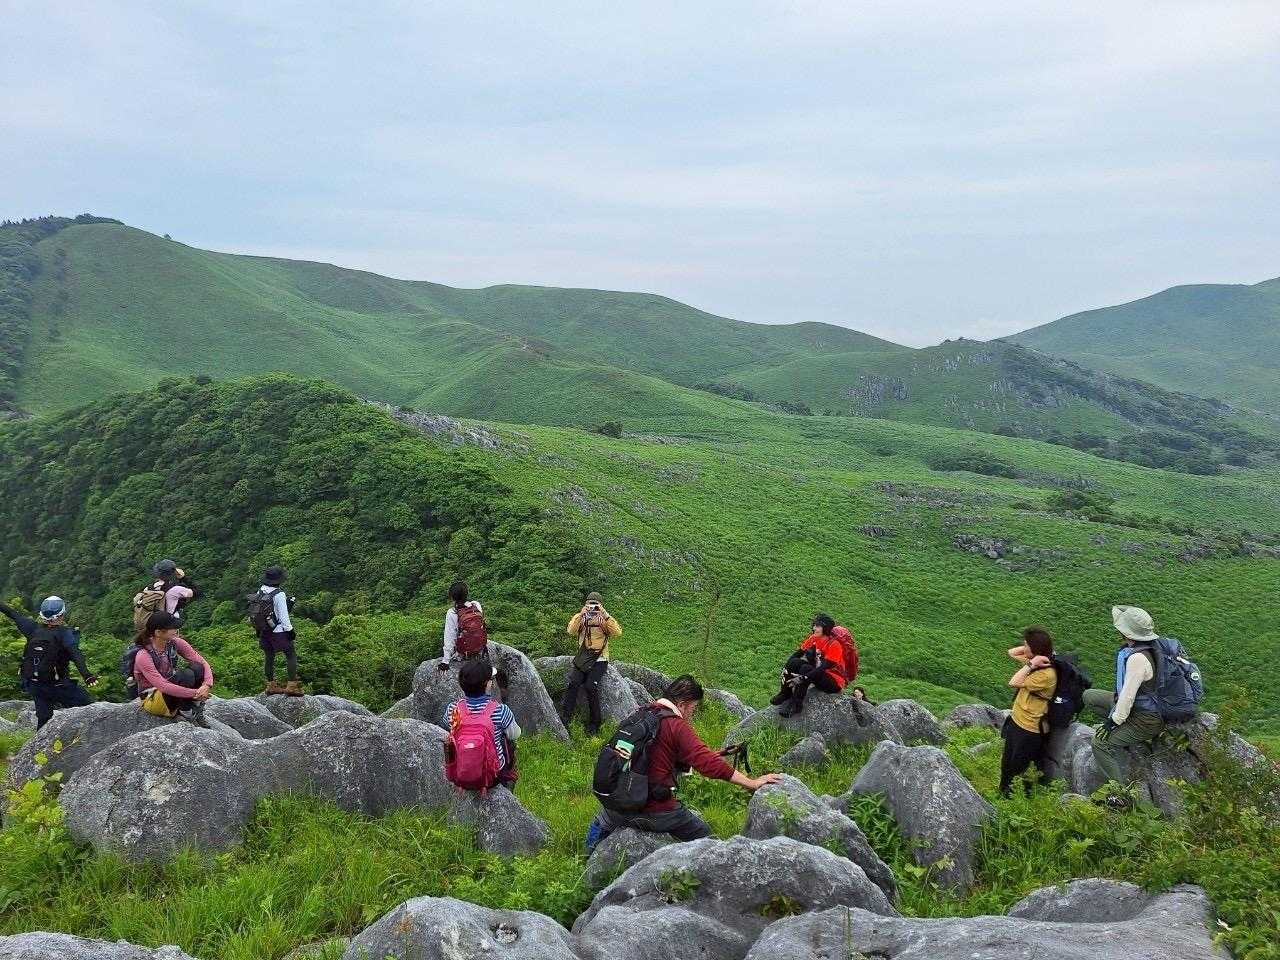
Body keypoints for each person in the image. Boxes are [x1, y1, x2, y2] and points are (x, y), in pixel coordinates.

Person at [587, 675, 781, 847]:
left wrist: (714, 754)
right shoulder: (676, 725)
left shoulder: (642, 713)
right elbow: (707, 764)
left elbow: (667, 753)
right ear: (682, 704)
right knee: (704, 835)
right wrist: (751, 783)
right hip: (654, 809)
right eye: (693, 708)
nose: (691, 715)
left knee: (603, 819)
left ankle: (589, 855)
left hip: (619, 801)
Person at [1083, 606, 1166, 789]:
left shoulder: (1138, 659)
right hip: (1140, 708)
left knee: (1099, 743)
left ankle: (1120, 793)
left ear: (1126, 632)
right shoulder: (1152, 647)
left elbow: (1127, 696)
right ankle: (1123, 733)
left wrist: (1113, 723)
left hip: (1145, 720)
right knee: (1089, 697)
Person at [1, 596, 98, 729]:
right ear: (61, 615)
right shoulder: (64, 634)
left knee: (44, 717)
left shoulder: (32, 628)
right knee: (89, 707)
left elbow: (11, 613)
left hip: (34, 685)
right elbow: (76, 655)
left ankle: (39, 741)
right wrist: (87, 676)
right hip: (58, 686)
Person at [444, 657, 521, 789]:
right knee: (508, 742)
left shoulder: (453, 709)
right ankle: (508, 780)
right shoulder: (501, 710)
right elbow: (515, 734)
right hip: (492, 777)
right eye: (491, 679)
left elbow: (448, 724)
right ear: (487, 684)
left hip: (460, 772)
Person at [1000, 626, 1058, 797]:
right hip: (1017, 720)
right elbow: (1011, 652)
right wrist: (1034, 654)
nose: (1023, 648)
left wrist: (1032, 663)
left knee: (1017, 768)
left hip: (1030, 728)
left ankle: (1013, 800)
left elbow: (1013, 682)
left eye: (1026, 645)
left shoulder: (1046, 674)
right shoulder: (1037, 663)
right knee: (1007, 762)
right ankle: (1002, 794)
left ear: (1036, 650)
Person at [132, 611, 214, 725]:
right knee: (186, 675)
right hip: (153, 698)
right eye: (173, 628)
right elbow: (163, 686)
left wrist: (206, 685)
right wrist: (196, 693)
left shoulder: (174, 643)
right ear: (158, 632)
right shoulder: (143, 655)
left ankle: (195, 709)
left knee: (198, 667)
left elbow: (202, 662)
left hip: (170, 692)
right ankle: (186, 714)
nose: (176, 630)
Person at [560, 591, 623, 734]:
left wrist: (605, 615)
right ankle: (566, 717)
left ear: (601, 606)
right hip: (583, 657)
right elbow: (571, 630)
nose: (593, 608)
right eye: (590, 605)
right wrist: (581, 615)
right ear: (586, 605)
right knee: (573, 683)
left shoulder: (605, 619)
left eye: (596, 605)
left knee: (590, 686)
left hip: (600, 659)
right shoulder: (581, 617)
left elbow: (617, 632)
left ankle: (595, 722)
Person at [771, 614, 850, 717]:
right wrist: (785, 669)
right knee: (793, 662)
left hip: (833, 681)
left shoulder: (834, 644)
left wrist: (802, 678)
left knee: (805, 668)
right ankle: (785, 693)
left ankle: (796, 704)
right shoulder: (814, 638)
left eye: (817, 626)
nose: (814, 628)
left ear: (825, 628)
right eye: (814, 625)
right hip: (818, 673)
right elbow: (798, 654)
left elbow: (822, 668)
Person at [439, 581, 506, 698]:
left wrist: (445, 661)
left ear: (452, 597)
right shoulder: (476, 605)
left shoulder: (452, 613)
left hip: (463, 654)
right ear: (467, 594)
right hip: (480, 649)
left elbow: (450, 638)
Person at [254, 565, 303, 696]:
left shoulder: (260, 591)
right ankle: (292, 686)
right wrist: (290, 631)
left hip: (264, 630)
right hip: (278, 631)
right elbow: (283, 617)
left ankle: (271, 685)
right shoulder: (279, 594)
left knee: (269, 656)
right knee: (291, 654)